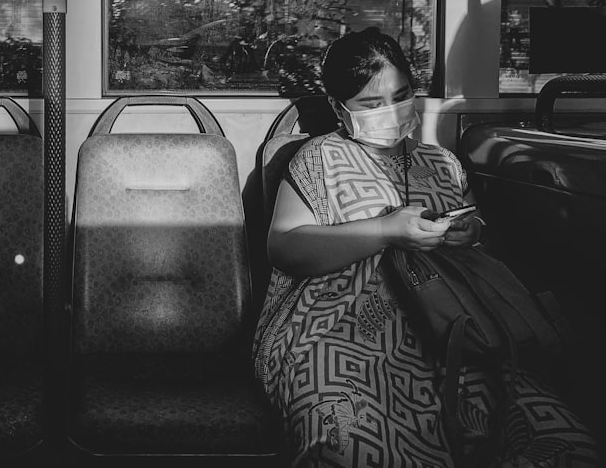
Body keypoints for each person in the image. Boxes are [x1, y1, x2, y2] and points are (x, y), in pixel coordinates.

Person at [252, 27, 598, 467]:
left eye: (399, 96)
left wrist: (470, 233)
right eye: (371, 105)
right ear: (341, 110)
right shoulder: (318, 158)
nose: (390, 112)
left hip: (451, 327)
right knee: (347, 448)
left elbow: (475, 225)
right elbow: (284, 247)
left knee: (557, 439)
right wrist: (385, 231)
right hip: (336, 331)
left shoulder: (442, 161)